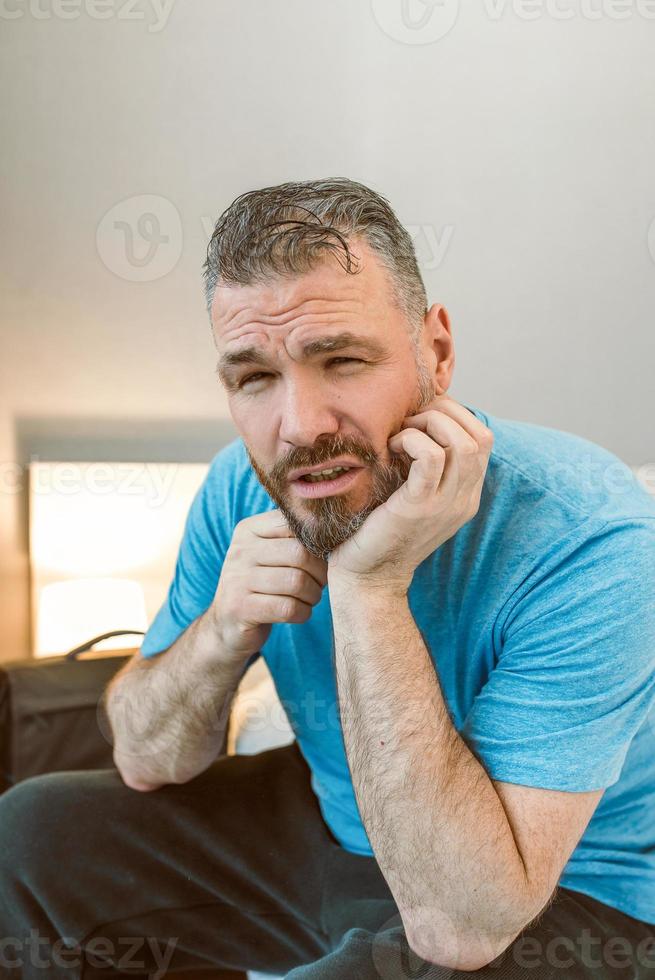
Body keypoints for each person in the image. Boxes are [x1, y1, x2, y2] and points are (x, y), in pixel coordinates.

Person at [1, 178, 655, 980]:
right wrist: (219, 634)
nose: (300, 426)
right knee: (30, 831)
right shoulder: (241, 489)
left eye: (341, 360)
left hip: (556, 896)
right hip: (336, 831)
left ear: (436, 351)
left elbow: (464, 927)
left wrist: (369, 585)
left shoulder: (586, 533)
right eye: (253, 379)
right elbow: (145, 758)